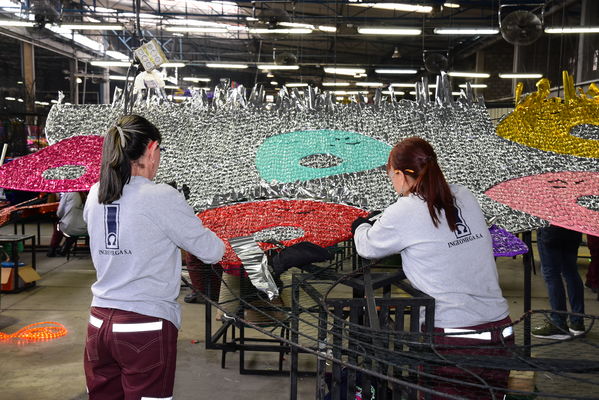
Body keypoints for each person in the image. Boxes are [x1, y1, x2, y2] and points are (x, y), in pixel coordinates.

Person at [352, 137, 514, 399]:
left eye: (391, 175)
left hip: (454, 338)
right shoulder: (463, 195)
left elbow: (367, 246)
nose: (393, 182)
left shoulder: (405, 209)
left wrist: (359, 225)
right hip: (501, 331)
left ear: (402, 175)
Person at [83, 114, 225, 399]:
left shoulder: (96, 192)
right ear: (151, 149)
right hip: (143, 326)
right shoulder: (161, 196)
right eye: (159, 152)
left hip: (98, 324)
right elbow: (212, 251)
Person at [532, 226, 585, 339]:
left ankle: (558, 323)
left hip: (551, 228)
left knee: (552, 274)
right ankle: (577, 323)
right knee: (571, 272)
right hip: (573, 227)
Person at [47, 191, 88, 257]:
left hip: (69, 228)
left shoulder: (68, 194)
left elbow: (59, 213)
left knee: (58, 226)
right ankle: (64, 249)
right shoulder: (85, 195)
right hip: (84, 228)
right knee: (75, 229)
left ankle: (52, 249)